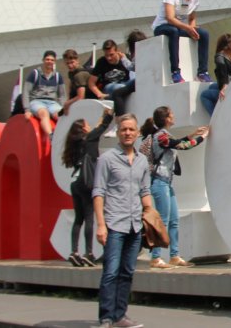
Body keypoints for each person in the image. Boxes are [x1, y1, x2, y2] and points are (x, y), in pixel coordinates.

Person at [93, 113, 153, 328]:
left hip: (135, 224)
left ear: (137, 133)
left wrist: (153, 217)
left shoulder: (142, 161)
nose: (127, 133)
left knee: (127, 272)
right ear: (118, 133)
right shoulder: (106, 159)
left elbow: (145, 190)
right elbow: (98, 192)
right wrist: (101, 225)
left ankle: (120, 315)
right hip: (114, 223)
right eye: (123, 129)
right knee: (111, 272)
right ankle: (106, 317)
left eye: (131, 130)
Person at [139, 106, 209, 269]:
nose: (174, 116)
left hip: (167, 183)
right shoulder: (161, 136)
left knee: (174, 220)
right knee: (162, 220)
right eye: (172, 114)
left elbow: (176, 142)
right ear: (166, 119)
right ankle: (156, 257)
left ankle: (174, 255)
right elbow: (182, 146)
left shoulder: (164, 135)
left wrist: (193, 134)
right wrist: (202, 137)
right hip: (159, 182)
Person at [60, 108, 114, 267]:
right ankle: (89, 253)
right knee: (90, 217)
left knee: (79, 218)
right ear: (84, 129)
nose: (89, 126)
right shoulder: (90, 139)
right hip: (88, 183)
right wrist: (109, 115)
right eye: (86, 124)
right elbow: (102, 127)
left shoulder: (75, 143)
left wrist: (101, 117)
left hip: (75, 183)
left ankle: (74, 251)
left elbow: (96, 128)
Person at [150, 0, 212, 84]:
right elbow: (170, 18)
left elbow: (192, 18)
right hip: (162, 26)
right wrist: (188, 28)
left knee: (204, 33)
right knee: (173, 31)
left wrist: (192, 29)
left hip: (181, 28)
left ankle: (203, 72)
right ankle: (175, 71)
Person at [200, 33, 231, 115]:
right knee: (211, 86)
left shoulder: (220, 55)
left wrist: (225, 86)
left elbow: (221, 67)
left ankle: (216, 119)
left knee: (204, 95)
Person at [24, 50, 67, 138]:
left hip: (52, 103)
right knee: (44, 113)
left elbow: (62, 95)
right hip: (37, 101)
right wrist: (27, 110)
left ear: (54, 61)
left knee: (61, 116)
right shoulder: (35, 74)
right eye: (47, 59)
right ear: (43, 60)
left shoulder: (58, 76)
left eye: (52, 60)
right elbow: (26, 91)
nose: (49, 62)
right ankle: (51, 137)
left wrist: (63, 108)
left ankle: (64, 137)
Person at [88, 40, 135, 115]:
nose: (109, 58)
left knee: (134, 82)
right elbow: (91, 82)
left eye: (111, 55)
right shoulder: (101, 62)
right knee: (121, 88)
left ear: (117, 51)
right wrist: (99, 94)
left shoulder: (125, 58)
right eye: (106, 55)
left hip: (125, 83)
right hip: (109, 87)